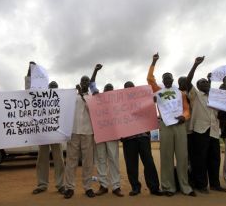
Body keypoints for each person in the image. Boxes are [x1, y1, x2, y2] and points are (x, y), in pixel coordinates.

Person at [147, 53, 195, 197]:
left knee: (182, 156)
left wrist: (184, 117)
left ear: (172, 80)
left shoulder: (180, 93)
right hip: (165, 125)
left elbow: (187, 109)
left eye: (169, 78)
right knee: (166, 156)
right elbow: (149, 79)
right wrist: (154, 62)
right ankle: (168, 187)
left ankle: (185, 187)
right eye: (165, 78)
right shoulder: (158, 92)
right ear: (162, 81)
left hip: (180, 125)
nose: (167, 79)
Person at [186, 57, 226, 194]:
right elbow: (187, 81)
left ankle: (215, 184)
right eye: (201, 82)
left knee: (215, 159)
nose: (205, 83)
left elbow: (220, 114)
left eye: (206, 82)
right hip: (200, 131)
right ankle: (201, 185)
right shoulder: (195, 96)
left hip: (214, 131)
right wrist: (195, 64)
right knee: (200, 159)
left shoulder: (216, 97)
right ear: (197, 86)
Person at [121, 81, 163, 196]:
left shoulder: (142, 100)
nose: (129, 89)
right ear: (124, 90)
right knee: (131, 164)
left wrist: (152, 99)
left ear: (134, 89)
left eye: (131, 87)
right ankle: (135, 187)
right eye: (127, 88)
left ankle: (154, 187)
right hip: (128, 139)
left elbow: (154, 100)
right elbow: (117, 122)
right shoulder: (119, 105)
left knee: (149, 162)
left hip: (143, 136)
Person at [89, 64, 124, 197]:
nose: (109, 90)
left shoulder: (118, 103)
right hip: (100, 134)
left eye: (111, 89)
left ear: (114, 91)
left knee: (114, 160)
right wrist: (95, 70)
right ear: (103, 90)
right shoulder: (98, 97)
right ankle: (103, 185)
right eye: (107, 89)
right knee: (101, 160)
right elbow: (91, 83)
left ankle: (116, 186)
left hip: (112, 135)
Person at [64, 74, 96, 199]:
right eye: (82, 80)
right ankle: (70, 188)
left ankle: (88, 187)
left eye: (86, 81)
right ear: (80, 82)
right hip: (73, 132)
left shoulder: (92, 97)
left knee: (88, 162)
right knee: (71, 161)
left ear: (89, 84)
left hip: (88, 132)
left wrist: (82, 94)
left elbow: (92, 110)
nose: (84, 82)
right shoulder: (72, 97)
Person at [31, 81, 65, 195]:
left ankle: (60, 185)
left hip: (56, 134)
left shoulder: (62, 100)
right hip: (44, 135)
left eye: (55, 87)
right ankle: (42, 185)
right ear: (48, 88)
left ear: (58, 88)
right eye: (51, 87)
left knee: (59, 159)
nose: (53, 89)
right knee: (42, 159)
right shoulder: (41, 100)